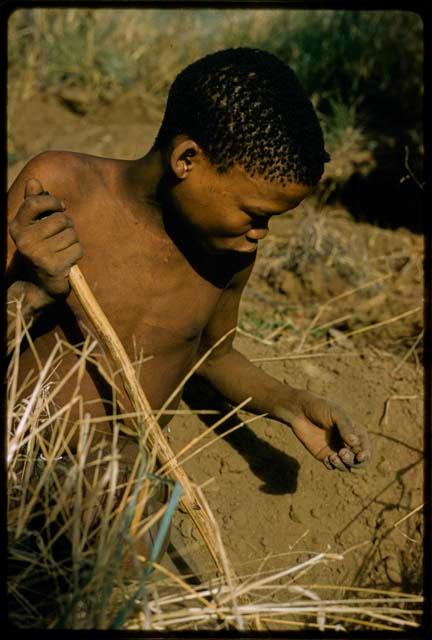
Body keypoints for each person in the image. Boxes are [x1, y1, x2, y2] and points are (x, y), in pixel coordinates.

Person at [7, 48, 370, 550]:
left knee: (127, 491)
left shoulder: (229, 254)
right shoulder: (62, 190)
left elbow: (210, 353)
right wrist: (35, 291)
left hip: (120, 474)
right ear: (187, 159)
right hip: (20, 453)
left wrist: (290, 405)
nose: (260, 234)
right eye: (253, 212)